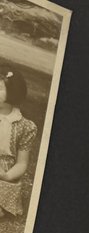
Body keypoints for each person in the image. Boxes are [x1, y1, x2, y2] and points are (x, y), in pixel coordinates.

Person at [0, 69, 37, 220]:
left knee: (5, 188)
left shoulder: (25, 126)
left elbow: (22, 163)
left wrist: (7, 176)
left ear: (12, 93)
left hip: (4, 175)